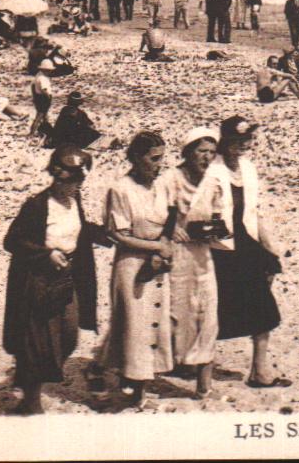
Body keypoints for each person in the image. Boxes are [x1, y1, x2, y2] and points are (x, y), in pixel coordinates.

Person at [3, 145, 104, 414]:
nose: (75, 186)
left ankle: (29, 382)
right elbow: (13, 241)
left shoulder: (74, 202)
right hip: (39, 280)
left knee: (69, 335)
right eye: (70, 181)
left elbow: (79, 230)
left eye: (79, 181)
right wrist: (46, 255)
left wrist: (103, 234)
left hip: (67, 277)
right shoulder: (37, 205)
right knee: (39, 341)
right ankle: (31, 400)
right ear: (56, 177)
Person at [206, 116, 289, 387]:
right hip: (219, 246)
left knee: (263, 302)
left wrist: (269, 245)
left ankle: (260, 369)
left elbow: (255, 210)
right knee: (212, 307)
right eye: (237, 140)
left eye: (247, 139)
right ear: (225, 141)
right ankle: (192, 361)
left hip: (247, 241)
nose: (243, 145)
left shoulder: (249, 169)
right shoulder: (211, 170)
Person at [99, 131, 174, 405]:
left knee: (153, 324)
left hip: (157, 264)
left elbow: (169, 220)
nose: (159, 165)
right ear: (136, 158)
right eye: (154, 159)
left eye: (161, 159)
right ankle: (129, 387)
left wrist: (164, 245)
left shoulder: (160, 187)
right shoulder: (120, 189)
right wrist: (155, 248)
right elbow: (117, 234)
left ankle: (140, 389)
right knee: (132, 327)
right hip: (131, 265)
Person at [157, 128, 223, 398]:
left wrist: (215, 229)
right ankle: (181, 364)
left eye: (211, 152)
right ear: (188, 152)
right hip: (177, 254)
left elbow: (220, 214)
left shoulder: (214, 180)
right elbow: (157, 214)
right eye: (201, 151)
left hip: (203, 254)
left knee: (208, 312)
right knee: (179, 313)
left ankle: (204, 382)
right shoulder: (170, 179)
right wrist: (171, 229)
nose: (206, 157)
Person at [29, 59, 55, 138]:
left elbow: (33, 86)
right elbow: (44, 89)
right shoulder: (43, 78)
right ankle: (32, 133)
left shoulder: (38, 75)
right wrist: (48, 97)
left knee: (44, 115)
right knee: (40, 116)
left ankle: (44, 130)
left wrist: (34, 96)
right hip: (43, 98)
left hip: (38, 97)